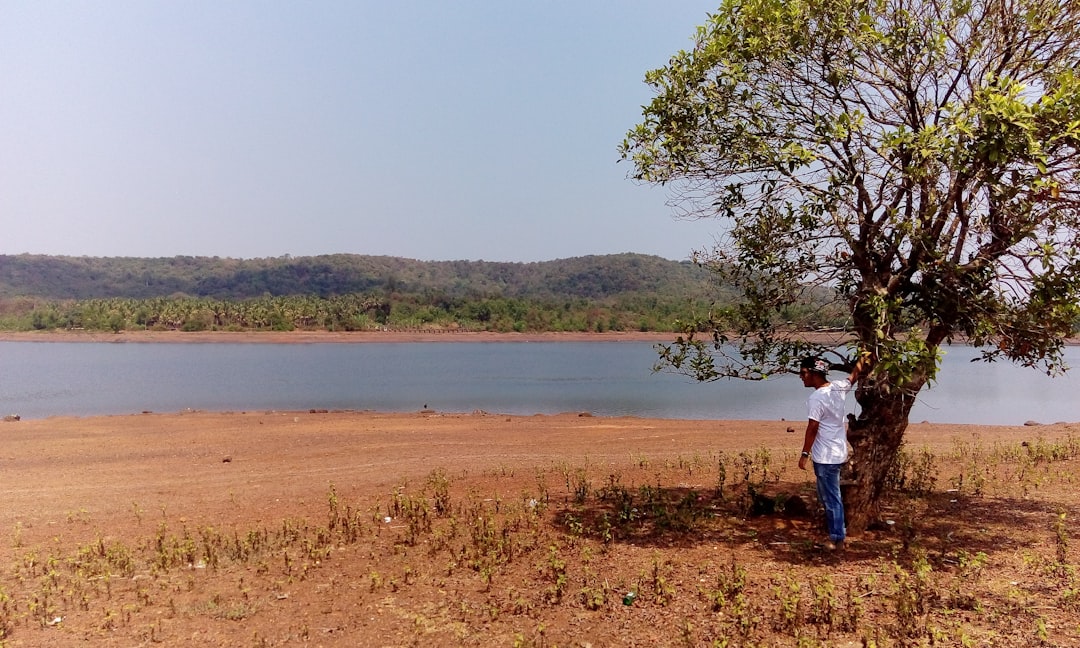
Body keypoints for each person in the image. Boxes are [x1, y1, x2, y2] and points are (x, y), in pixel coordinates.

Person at [796, 352, 871, 551]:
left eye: (803, 373)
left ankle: (837, 538)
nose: (801, 377)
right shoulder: (837, 388)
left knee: (831, 498)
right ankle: (836, 532)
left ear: (814, 373)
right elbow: (853, 377)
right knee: (828, 495)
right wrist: (862, 359)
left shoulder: (817, 398)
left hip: (826, 456)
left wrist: (804, 454)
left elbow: (812, 427)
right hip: (838, 452)